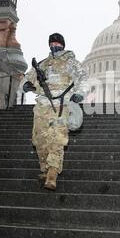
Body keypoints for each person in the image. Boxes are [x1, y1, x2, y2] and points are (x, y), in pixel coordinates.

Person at [20, 33, 89, 191]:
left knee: (57, 139)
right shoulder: (43, 64)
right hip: (42, 105)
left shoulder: (71, 63)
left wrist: (80, 93)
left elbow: (83, 79)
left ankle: (52, 173)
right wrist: (26, 85)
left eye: (57, 43)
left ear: (62, 45)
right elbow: (29, 78)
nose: (54, 46)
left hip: (61, 106)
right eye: (52, 43)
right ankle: (45, 168)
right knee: (39, 140)